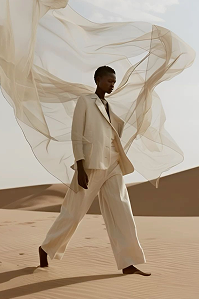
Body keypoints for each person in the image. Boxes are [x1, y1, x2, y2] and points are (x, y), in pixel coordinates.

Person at [38, 66, 151, 276]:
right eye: (109, 80)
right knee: (74, 212)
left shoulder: (109, 106)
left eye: (114, 81)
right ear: (98, 80)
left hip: (113, 164)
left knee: (122, 211)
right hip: (91, 164)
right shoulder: (85, 102)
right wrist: (80, 165)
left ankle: (128, 263)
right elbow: (76, 134)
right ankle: (46, 248)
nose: (112, 84)